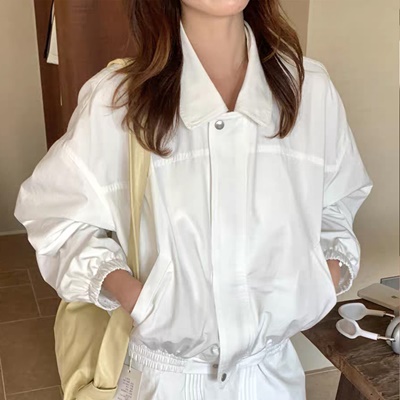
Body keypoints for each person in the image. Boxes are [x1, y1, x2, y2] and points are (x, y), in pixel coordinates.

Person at [14, 0, 373, 398]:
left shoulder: (310, 89)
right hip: (163, 381)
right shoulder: (117, 99)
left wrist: (322, 278)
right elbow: (55, 217)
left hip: (274, 377)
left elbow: (337, 202)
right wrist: (139, 298)